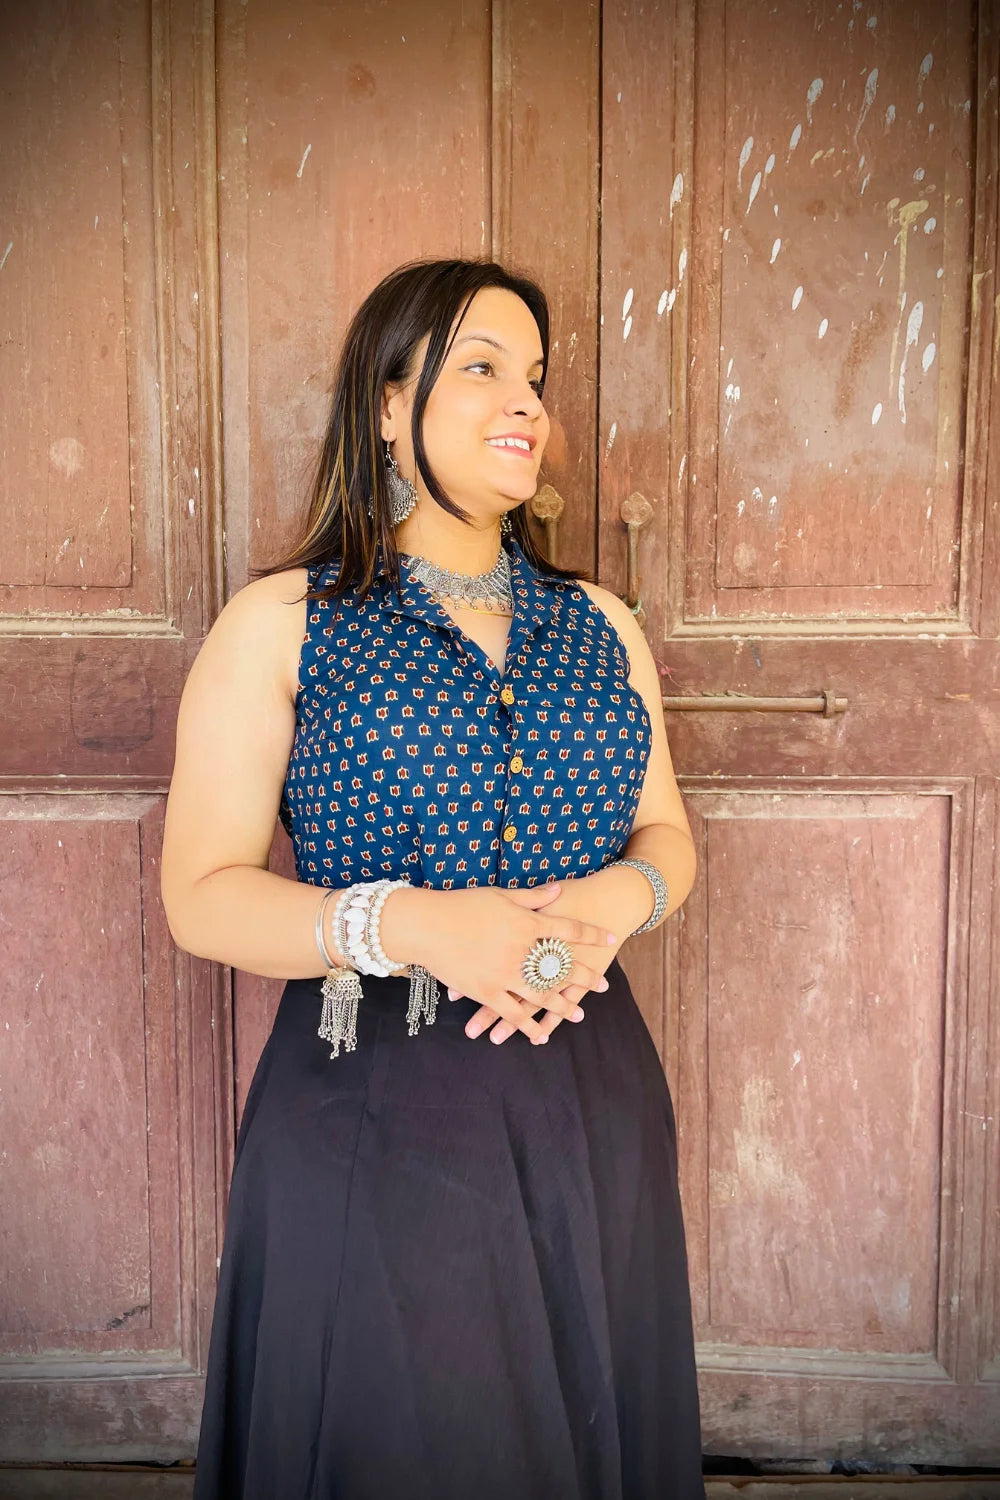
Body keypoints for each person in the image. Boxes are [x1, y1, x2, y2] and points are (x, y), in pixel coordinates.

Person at [161, 256, 705, 1499]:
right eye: (480, 369)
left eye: (536, 378)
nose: (527, 402)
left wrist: (613, 908)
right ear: (387, 406)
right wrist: (409, 923)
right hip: (374, 1111)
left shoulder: (603, 625)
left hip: (590, 1095)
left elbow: (666, 835)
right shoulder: (285, 623)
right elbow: (200, 895)